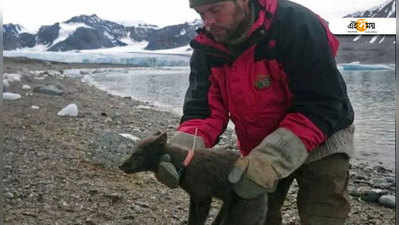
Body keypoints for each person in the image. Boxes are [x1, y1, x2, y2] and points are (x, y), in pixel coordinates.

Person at [156, 0, 355, 224]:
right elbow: (203, 110)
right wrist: (180, 151)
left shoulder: (296, 24)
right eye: (201, 14)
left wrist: (270, 160)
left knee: (323, 213)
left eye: (215, 10)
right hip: (261, 140)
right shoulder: (208, 47)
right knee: (256, 213)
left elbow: (322, 103)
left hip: (324, 132)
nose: (208, 22)